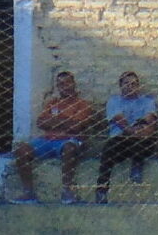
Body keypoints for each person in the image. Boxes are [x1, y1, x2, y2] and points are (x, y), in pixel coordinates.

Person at [9, 70, 95, 204]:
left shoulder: (82, 104)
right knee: (21, 150)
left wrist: (55, 120)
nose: (64, 86)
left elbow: (77, 127)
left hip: (69, 140)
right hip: (47, 140)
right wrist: (66, 121)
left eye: (67, 83)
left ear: (74, 84)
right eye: (60, 84)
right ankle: (28, 193)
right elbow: (41, 122)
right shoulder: (52, 103)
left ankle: (67, 191)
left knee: (69, 148)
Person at [95, 70, 158, 202]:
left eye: (134, 84)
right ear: (120, 85)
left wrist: (141, 129)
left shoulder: (147, 102)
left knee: (147, 140)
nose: (130, 87)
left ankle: (137, 163)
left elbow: (150, 123)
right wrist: (137, 129)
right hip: (121, 141)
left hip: (141, 140)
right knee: (109, 148)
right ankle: (102, 190)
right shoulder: (114, 101)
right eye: (126, 83)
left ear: (138, 86)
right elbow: (122, 123)